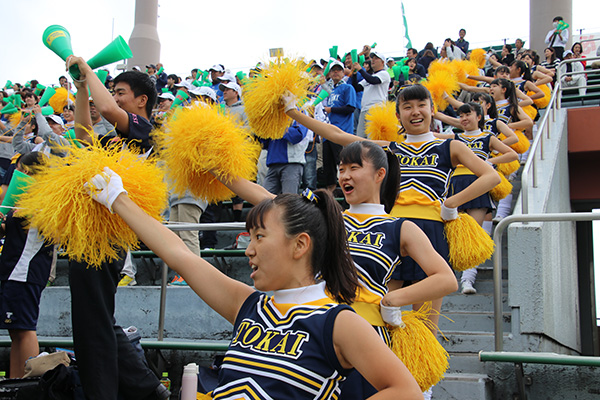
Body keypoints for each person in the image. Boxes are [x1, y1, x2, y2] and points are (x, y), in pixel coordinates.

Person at [85, 169, 423, 400]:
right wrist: (118, 199)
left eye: (260, 236)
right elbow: (179, 255)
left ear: (299, 245)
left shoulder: (338, 322)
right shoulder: (248, 304)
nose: (249, 249)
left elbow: (406, 391)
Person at [284, 84, 499, 332]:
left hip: (430, 233)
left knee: (425, 330)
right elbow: (338, 136)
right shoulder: (388, 149)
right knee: (380, 316)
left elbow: (490, 177)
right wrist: (293, 112)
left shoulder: (451, 146)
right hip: (390, 236)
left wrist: (451, 202)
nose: (415, 112)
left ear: (432, 110)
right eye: (407, 107)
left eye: (421, 105)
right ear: (398, 115)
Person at [65, 55, 168, 400]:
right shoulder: (114, 140)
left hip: (108, 237)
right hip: (91, 234)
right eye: (114, 92)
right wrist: (81, 88)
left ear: (142, 101)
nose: (115, 97)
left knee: (93, 326)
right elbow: (82, 137)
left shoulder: (145, 130)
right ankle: (146, 388)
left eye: (121, 91)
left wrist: (88, 70)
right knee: (94, 322)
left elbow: (108, 110)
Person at [435, 103, 517, 293]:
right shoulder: (455, 138)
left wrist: (490, 161)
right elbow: (434, 137)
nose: (464, 118)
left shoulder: (488, 137)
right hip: (454, 186)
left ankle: (467, 280)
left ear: (479, 116)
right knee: (450, 232)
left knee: (472, 233)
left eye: (468, 114)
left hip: (478, 186)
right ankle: (448, 277)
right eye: (461, 115)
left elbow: (511, 153)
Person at [0, 152, 52, 378]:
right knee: (15, 330)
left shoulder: (46, 199)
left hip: (26, 270)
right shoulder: (22, 198)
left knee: (25, 328)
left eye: (22, 170)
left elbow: (47, 231)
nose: (18, 174)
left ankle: (28, 383)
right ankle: (13, 382)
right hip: (12, 267)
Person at [322, 60, 356, 191]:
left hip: (341, 132)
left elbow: (350, 108)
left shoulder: (348, 87)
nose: (336, 72)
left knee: (343, 162)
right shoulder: (330, 90)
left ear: (343, 73)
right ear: (330, 73)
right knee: (328, 165)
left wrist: (331, 110)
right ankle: (330, 193)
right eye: (333, 70)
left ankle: (347, 191)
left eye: (338, 70)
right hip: (327, 132)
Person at [351, 50, 390, 138]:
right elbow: (357, 88)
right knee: (360, 138)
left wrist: (360, 69)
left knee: (372, 138)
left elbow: (373, 81)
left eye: (376, 58)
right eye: (372, 58)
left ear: (382, 62)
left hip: (376, 108)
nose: (373, 60)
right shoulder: (370, 76)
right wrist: (354, 74)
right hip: (364, 109)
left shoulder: (384, 74)